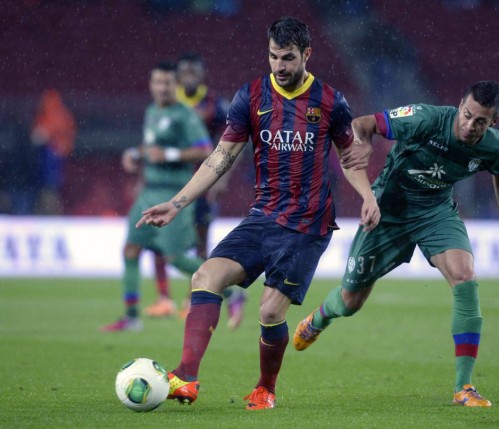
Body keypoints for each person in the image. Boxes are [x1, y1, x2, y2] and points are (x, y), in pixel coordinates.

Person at [136, 17, 379, 410]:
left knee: (268, 311)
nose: (279, 66)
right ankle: (186, 377)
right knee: (205, 276)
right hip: (263, 216)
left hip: (307, 225)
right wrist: (178, 202)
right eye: (272, 57)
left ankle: (266, 387)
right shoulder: (250, 97)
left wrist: (367, 195)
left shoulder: (331, 101)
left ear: (306, 55)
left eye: (287, 58)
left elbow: (350, 158)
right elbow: (220, 156)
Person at [293, 81, 499, 407]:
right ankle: (318, 318)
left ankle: (464, 387)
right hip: (388, 209)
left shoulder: (493, 145)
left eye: (481, 122)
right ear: (459, 105)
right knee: (350, 300)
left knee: (465, 277)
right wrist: (364, 180)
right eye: (467, 115)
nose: (470, 125)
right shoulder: (424, 119)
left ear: (494, 122)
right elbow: (361, 125)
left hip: (435, 213)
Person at [100, 61, 213, 332]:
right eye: (157, 82)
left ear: (175, 85)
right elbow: (151, 146)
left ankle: (229, 288)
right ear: (151, 85)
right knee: (130, 250)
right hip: (148, 191)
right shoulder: (151, 111)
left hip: (173, 194)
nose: (161, 88)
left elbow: (206, 149)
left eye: (167, 83)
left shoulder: (185, 116)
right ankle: (131, 317)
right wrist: (136, 154)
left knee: (176, 259)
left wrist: (170, 155)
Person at [144, 53, 247, 331]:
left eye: (194, 70)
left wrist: (221, 178)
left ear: (202, 74)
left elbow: (234, 142)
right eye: (184, 70)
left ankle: (195, 297)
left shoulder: (215, 104)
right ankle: (164, 297)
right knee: (157, 236)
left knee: (200, 241)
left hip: (201, 184)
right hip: (168, 183)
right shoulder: (166, 103)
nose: (189, 74)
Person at [30, 89, 77, 214]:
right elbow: (37, 135)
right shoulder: (45, 116)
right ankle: (45, 210)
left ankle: (52, 211)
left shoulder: (59, 116)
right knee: (47, 188)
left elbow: (43, 135)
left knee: (52, 188)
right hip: (48, 156)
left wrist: (59, 146)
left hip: (54, 157)